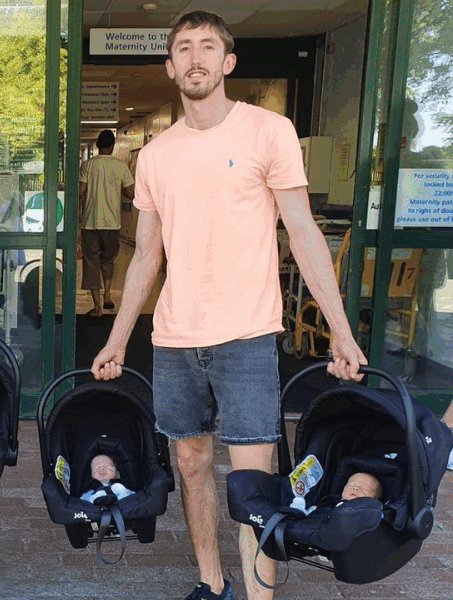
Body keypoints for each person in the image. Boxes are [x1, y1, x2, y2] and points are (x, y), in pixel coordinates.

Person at [90, 12, 367, 600]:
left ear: (227, 62)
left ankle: (258, 596)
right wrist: (116, 340)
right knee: (190, 463)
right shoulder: (156, 156)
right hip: (174, 337)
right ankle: (211, 583)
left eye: (207, 47)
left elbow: (304, 234)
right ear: (170, 67)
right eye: (184, 48)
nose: (195, 57)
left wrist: (339, 331)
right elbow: (144, 258)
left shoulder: (268, 131)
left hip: (246, 335)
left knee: (252, 480)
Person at [78, 129, 135, 317]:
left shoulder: (88, 165)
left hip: (90, 222)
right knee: (108, 261)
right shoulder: (121, 167)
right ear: (112, 146)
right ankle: (108, 295)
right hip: (112, 223)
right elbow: (130, 193)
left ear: (97, 146)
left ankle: (97, 308)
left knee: (91, 264)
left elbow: (80, 192)